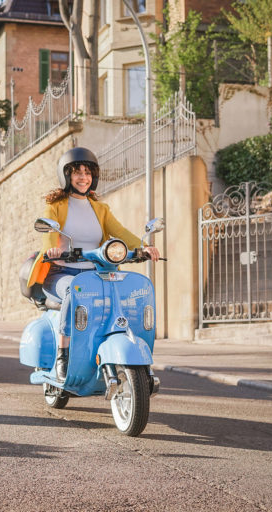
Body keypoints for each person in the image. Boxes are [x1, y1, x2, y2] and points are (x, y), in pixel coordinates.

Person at [27, 147, 160, 380]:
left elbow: (118, 232)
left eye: (88, 173)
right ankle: (63, 353)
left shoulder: (100, 209)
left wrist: (142, 247)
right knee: (73, 290)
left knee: (126, 291)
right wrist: (53, 249)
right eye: (77, 172)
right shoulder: (56, 207)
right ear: (67, 176)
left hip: (96, 272)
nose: (83, 178)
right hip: (61, 272)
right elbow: (49, 233)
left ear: (94, 177)